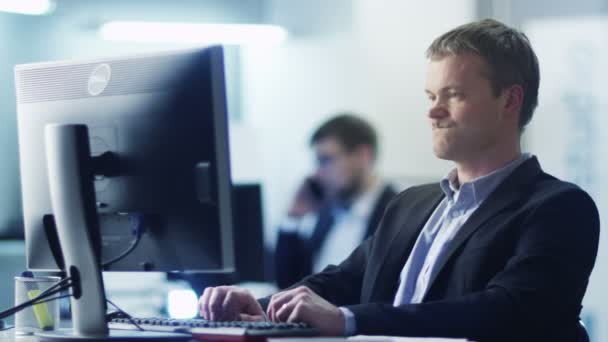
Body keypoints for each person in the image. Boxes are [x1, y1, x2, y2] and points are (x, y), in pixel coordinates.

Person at [197, 19, 600, 342]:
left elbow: (506, 311)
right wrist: (261, 306)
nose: (433, 112)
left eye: (453, 94)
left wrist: (347, 321)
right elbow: (344, 280)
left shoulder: (558, 206)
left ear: (510, 100)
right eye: (431, 97)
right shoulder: (413, 204)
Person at [275, 114, 396, 289]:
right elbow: (287, 286)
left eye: (326, 160)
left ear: (363, 155)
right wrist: (293, 217)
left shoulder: (398, 212)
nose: (317, 173)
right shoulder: (326, 212)